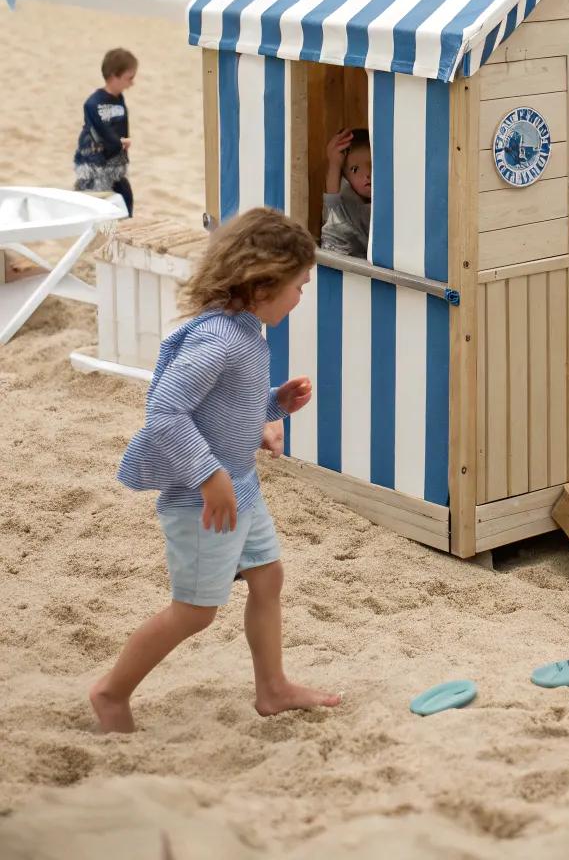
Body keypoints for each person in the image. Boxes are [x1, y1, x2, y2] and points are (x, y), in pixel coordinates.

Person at [89, 208, 340, 732]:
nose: (301, 297)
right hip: (202, 502)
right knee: (195, 612)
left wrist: (271, 406)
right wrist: (209, 476)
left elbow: (223, 405)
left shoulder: (245, 331)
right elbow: (165, 411)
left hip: (240, 489)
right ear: (264, 282)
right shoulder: (220, 340)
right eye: (299, 286)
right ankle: (111, 693)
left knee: (268, 577)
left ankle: (272, 688)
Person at [73, 47, 138, 217]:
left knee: (125, 198)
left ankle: (121, 233)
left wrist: (124, 146)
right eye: (129, 78)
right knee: (98, 208)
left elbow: (122, 126)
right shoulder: (93, 103)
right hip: (94, 164)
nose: (132, 83)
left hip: (115, 163)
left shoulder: (119, 99)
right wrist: (119, 143)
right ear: (113, 76)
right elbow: (102, 131)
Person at [321, 128, 371, 257]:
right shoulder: (350, 205)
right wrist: (334, 164)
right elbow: (333, 203)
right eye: (355, 169)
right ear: (346, 178)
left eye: (372, 166)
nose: (367, 175)